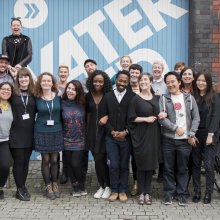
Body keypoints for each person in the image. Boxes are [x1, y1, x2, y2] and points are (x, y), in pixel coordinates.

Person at [158, 71, 200, 206]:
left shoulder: (189, 98)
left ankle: (182, 194)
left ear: (179, 82)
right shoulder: (164, 99)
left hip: (184, 141)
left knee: (183, 169)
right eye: (168, 82)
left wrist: (191, 134)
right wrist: (175, 128)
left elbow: (196, 118)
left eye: (173, 81)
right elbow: (162, 120)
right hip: (168, 139)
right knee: (168, 168)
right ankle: (169, 194)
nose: (170, 84)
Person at [128, 73, 166, 205]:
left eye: (145, 80)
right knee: (141, 163)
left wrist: (162, 114)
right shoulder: (135, 99)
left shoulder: (157, 98)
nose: (143, 82)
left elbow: (162, 112)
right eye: (141, 80)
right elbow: (131, 118)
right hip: (140, 135)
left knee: (150, 164)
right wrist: (145, 119)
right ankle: (141, 192)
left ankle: (148, 192)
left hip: (154, 134)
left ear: (151, 82)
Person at [102, 70, 135, 203]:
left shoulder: (133, 97)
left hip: (126, 138)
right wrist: (112, 132)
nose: (122, 83)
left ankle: (122, 190)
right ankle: (114, 190)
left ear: (128, 83)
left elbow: (133, 118)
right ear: (116, 80)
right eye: (120, 80)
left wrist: (125, 132)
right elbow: (104, 117)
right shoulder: (108, 96)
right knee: (114, 164)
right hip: (111, 138)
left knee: (124, 165)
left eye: (125, 81)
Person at [192, 71, 220, 204]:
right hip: (196, 135)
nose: (201, 83)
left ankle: (208, 193)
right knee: (196, 164)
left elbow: (216, 116)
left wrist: (211, 134)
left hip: (210, 135)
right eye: (198, 80)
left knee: (209, 165)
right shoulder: (193, 96)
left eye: (204, 81)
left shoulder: (214, 96)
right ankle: (197, 191)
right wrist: (191, 134)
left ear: (208, 82)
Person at [34, 72, 63, 200]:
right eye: (44, 81)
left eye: (48, 81)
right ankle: (48, 185)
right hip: (41, 131)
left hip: (56, 131)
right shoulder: (36, 97)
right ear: (40, 83)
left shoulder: (59, 97)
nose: (46, 83)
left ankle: (55, 183)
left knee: (55, 160)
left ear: (52, 83)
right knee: (45, 160)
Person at [9, 68, 35, 201]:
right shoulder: (12, 94)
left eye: (26, 77)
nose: (23, 79)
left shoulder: (34, 94)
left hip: (30, 134)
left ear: (30, 79)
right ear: (17, 79)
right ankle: (19, 189)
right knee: (18, 162)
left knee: (25, 162)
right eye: (21, 77)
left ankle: (23, 186)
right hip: (16, 133)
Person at [86, 70, 112, 199]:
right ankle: (102, 186)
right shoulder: (87, 96)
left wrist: (107, 116)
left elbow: (116, 111)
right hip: (91, 133)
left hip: (105, 133)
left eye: (100, 81)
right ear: (91, 82)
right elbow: (87, 115)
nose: (98, 83)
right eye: (95, 81)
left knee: (103, 159)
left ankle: (108, 186)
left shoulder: (109, 95)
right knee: (97, 160)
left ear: (105, 82)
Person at [62, 80, 87, 197]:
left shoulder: (83, 103)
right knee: (69, 164)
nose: (69, 91)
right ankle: (75, 186)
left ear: (78, 92)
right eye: (68, 88)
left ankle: (82, 184)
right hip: (66, 139)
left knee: (76, 164)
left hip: (80, 139)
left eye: (73, 89)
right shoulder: (61, 103)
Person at [128, 64, 143, 196]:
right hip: (126, 129)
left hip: (141, 130)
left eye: (137, 73)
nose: (134, 74)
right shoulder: (123, 88)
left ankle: (138, 182)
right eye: (132, 72)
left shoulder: (145, 88)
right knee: (126, 157)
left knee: (137, 158)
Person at [151, 61, 167, 182]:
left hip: (163, 116)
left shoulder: (166, 83)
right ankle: (151, 168)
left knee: (162, 144)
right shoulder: (148, 81)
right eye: (155, 67)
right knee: (152, 142)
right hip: (150, 116)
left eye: (159, 67)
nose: (157, 69)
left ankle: (161, 171)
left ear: (162, 69)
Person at [56, 65, 70, 184]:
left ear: (68, 73)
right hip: (56, 118)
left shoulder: (71, 86)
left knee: (65, 147)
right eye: (61, 72)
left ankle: (65, 172)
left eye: (65, 72)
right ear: (58, 73)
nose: (63, 74)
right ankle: (57, 170)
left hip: (68, 119)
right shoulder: (54, 86)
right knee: (57, 146)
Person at [0, 82, 13, 199]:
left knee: (5, 165)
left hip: (5, 140)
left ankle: (0, 186)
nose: (6, 91)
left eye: (8, 90)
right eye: (3, 89)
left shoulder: (11, 105)